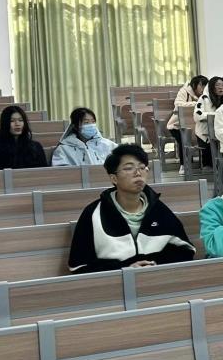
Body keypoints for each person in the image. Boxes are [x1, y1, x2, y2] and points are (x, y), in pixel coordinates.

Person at [68, 144, 195, 272]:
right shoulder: (93, 213)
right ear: (114, 178)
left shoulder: (158, 209)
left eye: (142, 167)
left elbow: (186, 251)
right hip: (113, 282)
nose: (138, 173)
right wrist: (125, 268)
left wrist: (156, 263)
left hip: (157, 278)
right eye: (129, 168)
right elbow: (78, 266)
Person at [0, 105, 47, 169]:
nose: (17, 124)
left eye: (20, 120)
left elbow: (45, 171)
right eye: (12, 121)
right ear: (5, 123)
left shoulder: (36, 146)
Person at [52, 107, 117, 166]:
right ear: (75, 126)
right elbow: (60, 171)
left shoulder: (107, 144)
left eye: (93, 122)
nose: (91, 125)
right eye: (86, 122)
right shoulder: (64, 149)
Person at [167, 75, 207, 152]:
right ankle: (184, 160)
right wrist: (196, 104)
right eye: (201, 85)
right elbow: (178, 105)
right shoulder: (184, 91)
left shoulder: (205, 95)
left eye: (205, 86)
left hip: (195, 125)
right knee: (183, 141)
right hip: (177, 125)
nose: (203, 88)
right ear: (194, 85)